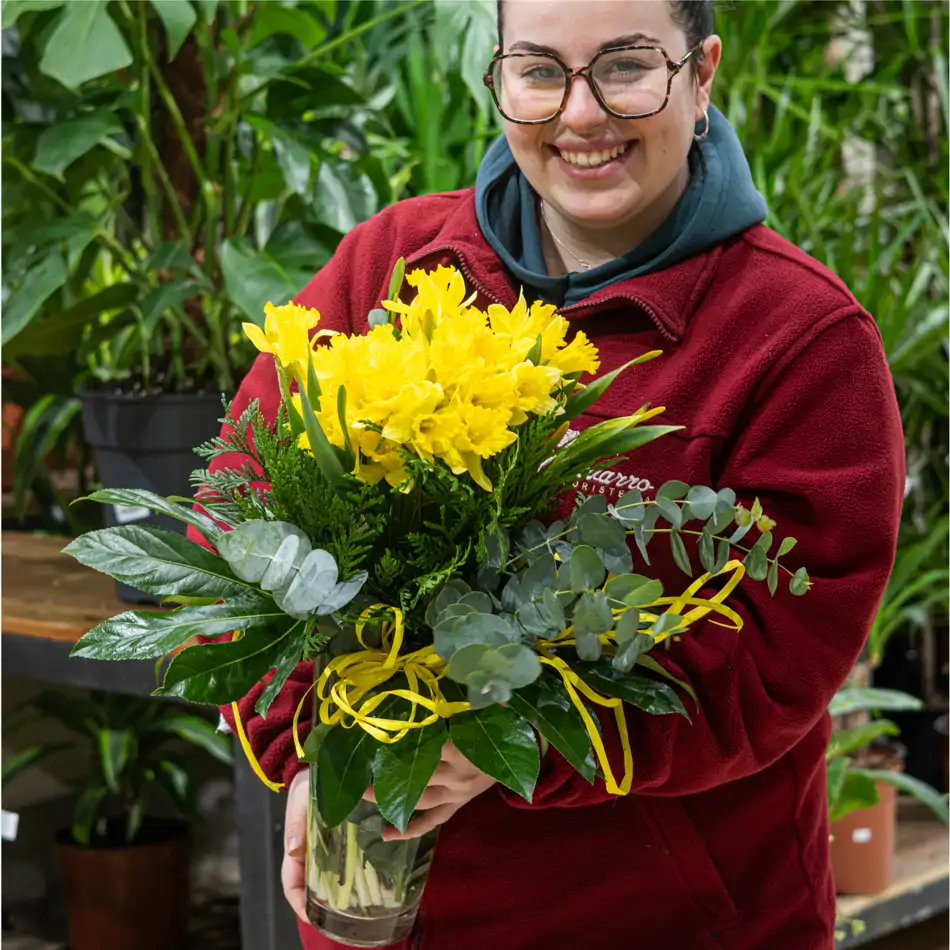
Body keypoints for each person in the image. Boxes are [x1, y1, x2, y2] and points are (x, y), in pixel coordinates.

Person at [203, 2, 905, 948]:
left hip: (662, 918)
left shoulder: (800, 341)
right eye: (538, 71)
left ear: (702, 76)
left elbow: (776, 661)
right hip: (382, 914)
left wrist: (511, 741)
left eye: (624, 66)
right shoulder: (390, 265)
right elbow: (234, 517)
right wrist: (315, 760)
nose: (579, 116)